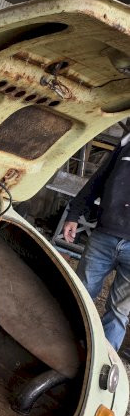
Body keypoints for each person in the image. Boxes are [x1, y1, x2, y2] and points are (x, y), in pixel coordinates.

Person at [63, 132, 130, 351]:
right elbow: (98, 181)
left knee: (119, 311)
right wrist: (74, 214)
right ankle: (66, 348)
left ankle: (101, 362)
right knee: (81, 295)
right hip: (104, 236)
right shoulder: (126, 144)